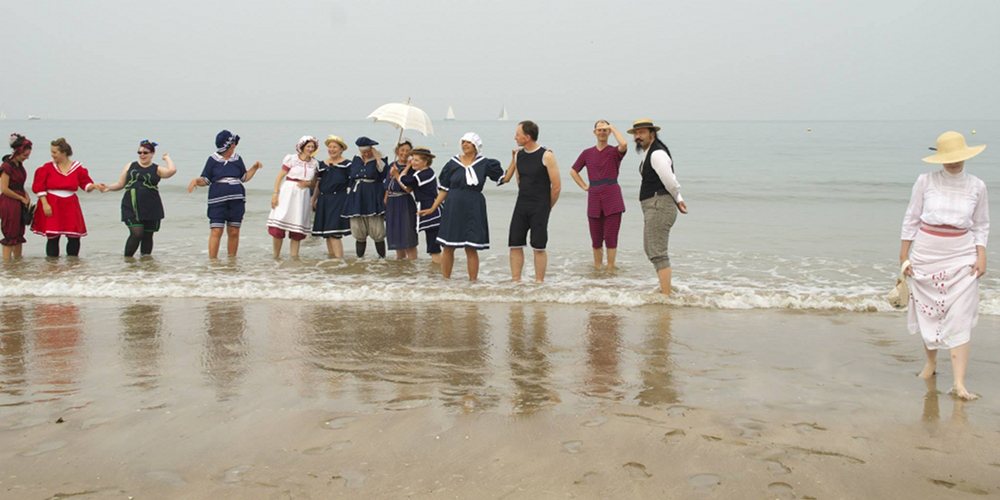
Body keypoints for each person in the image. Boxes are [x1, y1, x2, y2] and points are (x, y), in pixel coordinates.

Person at [901, 131, 989, 401]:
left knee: (960, 315)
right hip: (926, 254)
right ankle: (931, 363)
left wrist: (981, 255)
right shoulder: (925, 181)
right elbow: (911, 219)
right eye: (948, 158)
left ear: (966, 156)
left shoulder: (977, 186)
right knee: (930, 313)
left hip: (962, 256)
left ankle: (959, 383)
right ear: (939, 159)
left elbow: (981, 224)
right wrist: (903, 257)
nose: (954, 162)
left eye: (958, 157)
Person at [418, 133, 504, 280]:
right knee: (448, 246)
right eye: (463, 142)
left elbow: (503, 178)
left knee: (470, 248)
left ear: (476, 146)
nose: (464, 145)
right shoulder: (453, 162)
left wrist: (515, 162)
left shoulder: (485, 163)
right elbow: (444, 189)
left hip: (474, 206)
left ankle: (473, 283)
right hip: (453, 205)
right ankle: (446, 281)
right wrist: (433, 208)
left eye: (468, 143)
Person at [628, 119, 688, 294]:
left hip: (659, 203)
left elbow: (669, 179)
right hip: (654, 204)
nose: (638, 137)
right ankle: (665, 288)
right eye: (636, 134)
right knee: (651, 249)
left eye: (642, 133)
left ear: (652, 134)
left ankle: (666, 294)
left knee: (658, 252)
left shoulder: (657, 154)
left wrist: (678, 198)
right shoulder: (649, 153)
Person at [500, 120, 561, 282]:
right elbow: (519, 180)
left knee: (538, 246)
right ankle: (516, 281)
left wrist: (548, 206)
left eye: (517, 135)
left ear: (527, 137)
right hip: (521, 204)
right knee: (514, 244)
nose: (515, 137)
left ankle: (539, 283)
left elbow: (556, 187)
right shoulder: (519, 155)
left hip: (540, 206)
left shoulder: (547, 155)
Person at [188, 130, 264, 259]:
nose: (235, 146)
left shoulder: (237, 158)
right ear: (228, 145)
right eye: (233, 143)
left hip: (237, 200)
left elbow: (244, 177)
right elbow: (206, 180)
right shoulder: (213, 159)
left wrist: (254, 168)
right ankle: (213, 261)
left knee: (234, 231)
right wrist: (196, 181)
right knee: (216, 230)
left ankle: (232, 261)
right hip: (217, 200)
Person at [100, 140, 177, 257]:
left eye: (145, 152)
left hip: (151, 205)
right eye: (139, 152)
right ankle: (128, 260)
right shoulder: (130, 166)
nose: (142, 155)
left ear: (152, 154)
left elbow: (172, 171)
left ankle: (145, 264)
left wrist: (167, 158)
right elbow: (121, 184)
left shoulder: (157, 169)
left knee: (148, 235)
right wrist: (109, 188)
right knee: (137, 232)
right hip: (131, 204)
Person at [570, 120, 628, 269]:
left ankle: (610, 269)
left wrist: (612, 127)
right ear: (595, 132)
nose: (602, 132)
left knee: (611, 238)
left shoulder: (614, 151)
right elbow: (573, 170)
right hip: (594, 196)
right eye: (599, 129)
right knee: (596, 239)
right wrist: (584, 186)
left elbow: (624, 144)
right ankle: (597, 268)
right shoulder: (587, 153)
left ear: (609, 132)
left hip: (612, 196)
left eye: (605, 130)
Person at [30, 138, 100, 257]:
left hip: (70, 203)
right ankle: (53, 267)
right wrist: (45, 204)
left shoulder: (77, 168)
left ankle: (72, 266)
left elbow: (85, 184)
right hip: (52, 203)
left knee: (74, 236)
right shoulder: (47, 168)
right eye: (51, 152)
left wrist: (95, 186)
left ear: (63, 153)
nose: (52, 155)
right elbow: (39, 187)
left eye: (55, 152)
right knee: (53, 238)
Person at [267, 136, 319, 259]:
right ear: (302, 147)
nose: (310, 149)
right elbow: (280, 176)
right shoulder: (291, 159)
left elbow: (315, 182)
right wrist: (275, 194)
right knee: (279, 226)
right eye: (308, 146)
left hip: (303, 195)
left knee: (297, 228)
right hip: (288, 193)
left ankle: (294, 257)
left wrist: (307, 184)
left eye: (312, 147)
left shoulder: (315, 163)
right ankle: (276, 256)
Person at [344, 137, 387, 258]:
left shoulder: (381, 157)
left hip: (373, 193)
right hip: (357, 195)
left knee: (377, 229)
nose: (366, 153)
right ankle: (360, 260)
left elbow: (384, 173)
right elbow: (352, 177)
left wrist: (377, 158)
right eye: (364, 151)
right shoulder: (356, 159)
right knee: (358, 230)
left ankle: (382, 259)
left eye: (368, 151)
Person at [399, 146, 442, 264]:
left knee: (433, 243)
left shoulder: (425, 173)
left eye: (416, 160)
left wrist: (404, 170)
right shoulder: (422, 172)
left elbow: (407, 181)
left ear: (425, 162)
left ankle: (439, 269)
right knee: (432, 241)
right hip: (426, 207)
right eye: (412, 159)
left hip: (430, 208)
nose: (413, 162)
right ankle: (438, 270)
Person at [311, 135, 352, 257]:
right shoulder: (321, 164)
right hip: (324, 199)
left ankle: (339, 261)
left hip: (339, 199)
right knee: (327, 233)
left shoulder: (347, 164)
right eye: (330, 147)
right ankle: (332, 260)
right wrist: (314, 200)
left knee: (334, 232)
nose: (332, 149)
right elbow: (318, 183)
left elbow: (351, 185)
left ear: (341, 149)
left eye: (335, 147)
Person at [384, 140, 418, 260]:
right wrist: (385, 200)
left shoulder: (412, 168)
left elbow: (408, 189)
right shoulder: (392, 166)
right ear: (397, 151)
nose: (404, 153)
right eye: (402, 150)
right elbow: (387, 186)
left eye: (407, 150)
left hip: (404, 202)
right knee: (396, 238)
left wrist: (398, 174)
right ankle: (401, 269)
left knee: (408, 238)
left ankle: (413, 266)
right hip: (392, 203)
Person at [1, 134, 32, 260]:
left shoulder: (19, 165)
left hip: (19, 200)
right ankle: (7, 264)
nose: (27, 158)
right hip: (9, 201)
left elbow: (18, 185)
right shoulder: (6, 166)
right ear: (17, 151)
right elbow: (4, 188)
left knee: (19, 232)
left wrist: (26, 194)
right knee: (10, 233)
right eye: (25, 155)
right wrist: (21, 198)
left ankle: (18, 263)